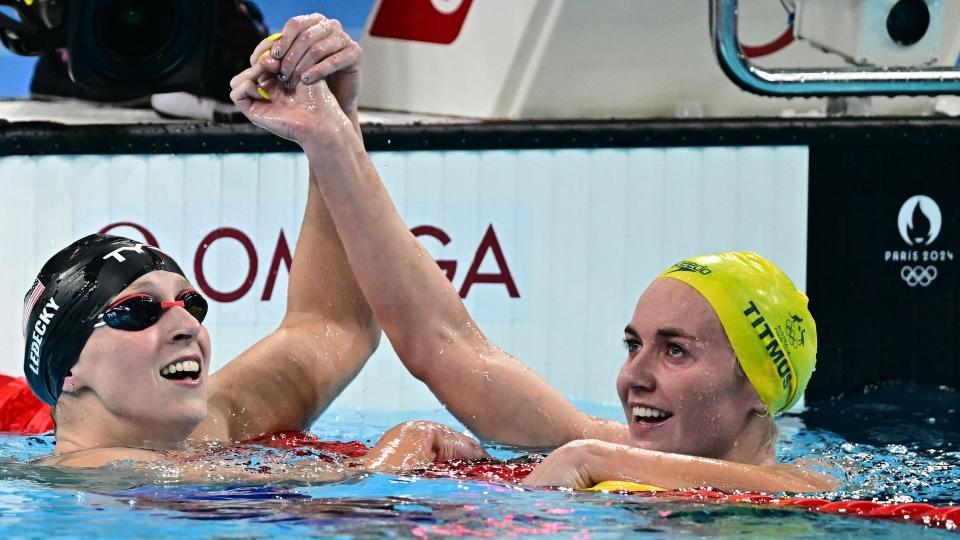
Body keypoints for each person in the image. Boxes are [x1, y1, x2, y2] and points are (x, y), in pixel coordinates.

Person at [228, 19, 837, 492]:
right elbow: (445, 344)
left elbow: (788, 490)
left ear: (758, 383)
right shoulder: (597, 442)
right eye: (634, 345)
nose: (633, 377)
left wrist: (594, 457)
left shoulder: (807, 497)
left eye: (675, 350)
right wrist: (331, 132)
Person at [22, 14, 486, 479]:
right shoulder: (98, 473)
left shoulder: (203, 429)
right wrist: (401, 452)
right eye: (138, 310)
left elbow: (332, 326)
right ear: (67, 371)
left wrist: (333, 125)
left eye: (191, 304)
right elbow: (340, 500)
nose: (186, 324)